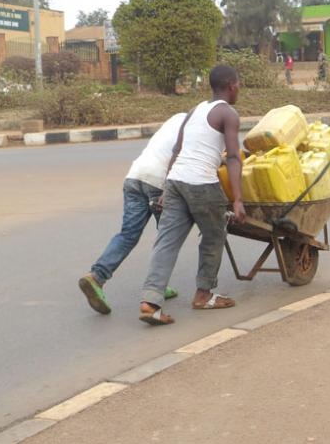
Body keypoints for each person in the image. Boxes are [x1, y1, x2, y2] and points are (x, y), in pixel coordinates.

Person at [138, 64, 246, 326]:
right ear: (231, 85)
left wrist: (166, 189)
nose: (239, 88)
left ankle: (150, 302)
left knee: (167, 241)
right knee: (214, 234)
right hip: (201, 184)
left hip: (176, 182)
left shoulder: (194, 110)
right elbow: (233, 157)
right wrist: (238, 200)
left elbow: (177, 150)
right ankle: (204, 294)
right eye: (238, 84)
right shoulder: (228, 113)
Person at [78, 114, 187, 314]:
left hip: (135, 176)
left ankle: (96, 277)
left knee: (128, 234)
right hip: (159, 181)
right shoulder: (198, 126)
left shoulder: (178, 118)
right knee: (167, 238)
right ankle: (156, 287)